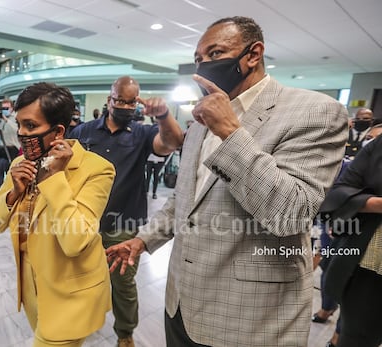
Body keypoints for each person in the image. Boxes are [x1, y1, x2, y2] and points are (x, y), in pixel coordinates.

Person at [105, 16, 348, 347]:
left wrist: (230, 131)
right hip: (181, 304)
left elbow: (292, 213)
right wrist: (143, 241)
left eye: (215, 54)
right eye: (198, 59)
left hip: (250, 317)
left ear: (252, 54)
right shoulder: (201, 121)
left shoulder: (315, 112)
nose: (204, 65)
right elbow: (184, 199)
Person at [0, 82, 115, 347]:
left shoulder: (96, 169)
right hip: (31, 288)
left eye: (30, 126)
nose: (21, 133)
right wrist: (12, 195)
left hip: (71, 296)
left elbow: (75, 241)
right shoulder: (19, 165)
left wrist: (54, 178)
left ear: (58, 132)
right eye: (19, 125)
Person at [68, 76, 184, 347]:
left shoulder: (142, 134)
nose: (123, 105)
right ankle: (81, 321)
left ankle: (125, 333)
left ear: (137, 104)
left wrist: (163, 116)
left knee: (123, 284)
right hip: (84, 222)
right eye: (119, 99)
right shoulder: (83, 132)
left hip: (124, 224)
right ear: (109, 99)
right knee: (80, 278)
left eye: (130, 101)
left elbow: (173, 142)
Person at [318, 134, 382, 347]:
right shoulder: (377, 147)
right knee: (356, 338)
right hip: (371, 265)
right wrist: (375, 204)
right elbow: (340, 193)